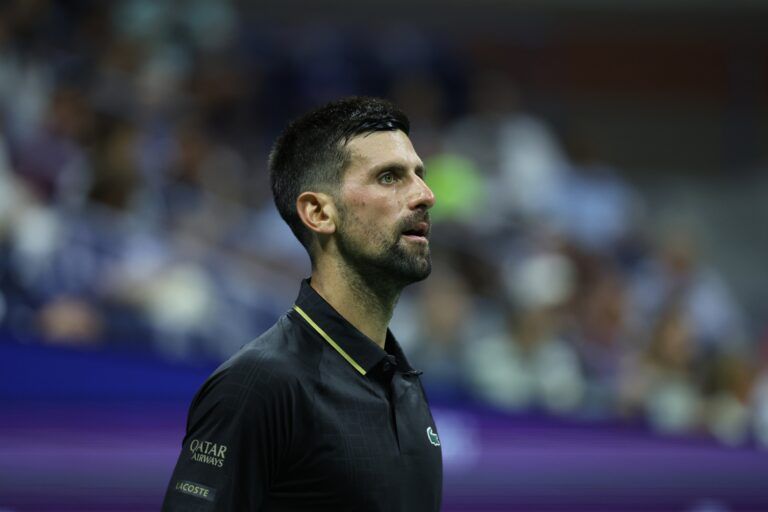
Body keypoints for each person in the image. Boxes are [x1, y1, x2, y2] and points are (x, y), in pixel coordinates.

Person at [162, 97, 442, 511]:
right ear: (317, 212)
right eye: (389, 177)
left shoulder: (403, 382)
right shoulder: (256, 386)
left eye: (419, 174)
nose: (426, 195)